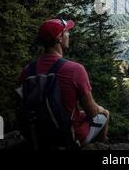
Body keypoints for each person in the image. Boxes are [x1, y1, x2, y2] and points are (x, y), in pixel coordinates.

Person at [19, 18, 110, 146]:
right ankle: (98, 147)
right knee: (104, 114)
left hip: (37, 136)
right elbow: (92, 111)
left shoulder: (27, 71)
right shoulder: (75, 69)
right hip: (68, 136)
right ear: (60, 38)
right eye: (66, 31)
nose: (69, 34)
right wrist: (101, 109)